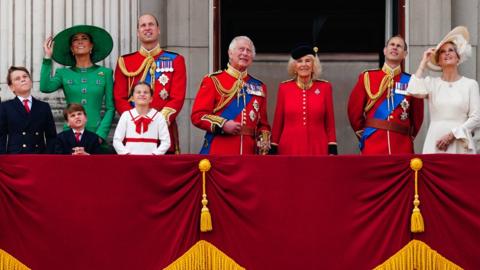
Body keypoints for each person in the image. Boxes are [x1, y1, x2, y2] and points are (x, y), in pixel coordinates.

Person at [113, 13, 186, 154]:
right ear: (138, 32)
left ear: (158, 30)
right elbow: (119, 97)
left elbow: (177, 97)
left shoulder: (176, 60)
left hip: (163, 129)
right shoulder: (125, 62)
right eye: (143, 25)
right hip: (132, 131)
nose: (147, 28)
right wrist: (133, 119)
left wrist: (158, 121)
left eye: (151, 24)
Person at [191, 36, 271, 155]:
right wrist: (223, 124)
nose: (245, 53)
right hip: (220, 150)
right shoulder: (213, 80)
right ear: (230, 53)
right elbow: (198, 116)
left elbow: (263, 124)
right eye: (241, 49)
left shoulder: (259, 86)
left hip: (249, 153)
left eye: (248, 51)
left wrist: (264, 139)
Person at [41, 24, 115, 152]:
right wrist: (48, 57)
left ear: (91, 46)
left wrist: (101, 135)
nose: (80, 41)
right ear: (72, 49)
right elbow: (45, 87)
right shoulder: (63, 73)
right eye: (75, 39)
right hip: (69, 135)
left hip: (96, 135)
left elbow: (110, 107)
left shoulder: (105, 73)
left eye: (84, 38)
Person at [407, 26, 480, 154]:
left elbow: (477, 117)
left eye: (451, 50)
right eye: (442, 51)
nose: (447, 53)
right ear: (439, 61)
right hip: (435, 142)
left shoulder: (470, 84)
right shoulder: (431, 83)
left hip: (460, 142)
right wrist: (423, 63)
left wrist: (452, 135)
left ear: (458, 58)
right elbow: (412, 90)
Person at [347, 35, 424, 154]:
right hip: (373, 143)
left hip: (401, 145)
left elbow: (417, 117)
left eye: (399, 46)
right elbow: (354, 111)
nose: (395, 48)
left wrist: (408, 137)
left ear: (405, 54)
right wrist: (366, 133)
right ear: (385, 50)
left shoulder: (411, 82)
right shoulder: (367, 77)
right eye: (392, 45)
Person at [271, 44, 337, 155]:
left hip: (318, 147)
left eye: (308, 61)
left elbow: (330, 122)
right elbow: (278, 122)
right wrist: (273, 146)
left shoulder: (325, 87)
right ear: (294, 66)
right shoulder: (284, 88)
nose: (304, 65)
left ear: (313, 65)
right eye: (299, 61)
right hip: (289, 148)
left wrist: (332, 147)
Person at [0, 66, 57, 154]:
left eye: (25, 76)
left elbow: (51, 137)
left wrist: (49, 157)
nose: (23, 80)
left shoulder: (44, 107)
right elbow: (1, 136)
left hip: (39, 157)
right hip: (15, 158)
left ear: (30, 81)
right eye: (17, 79)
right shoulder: (5, 107)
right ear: (11, 87)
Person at [113, 82, 171, 155]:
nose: (142, 94)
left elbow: (166, 142)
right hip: (129, 160)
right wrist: (126, 154)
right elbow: (117, 140)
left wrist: (155, 155)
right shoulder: (126, 115)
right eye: (138, 92)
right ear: (132, 98)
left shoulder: (158, 116)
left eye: (146, 92)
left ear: (151, 98)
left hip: (151, 161)